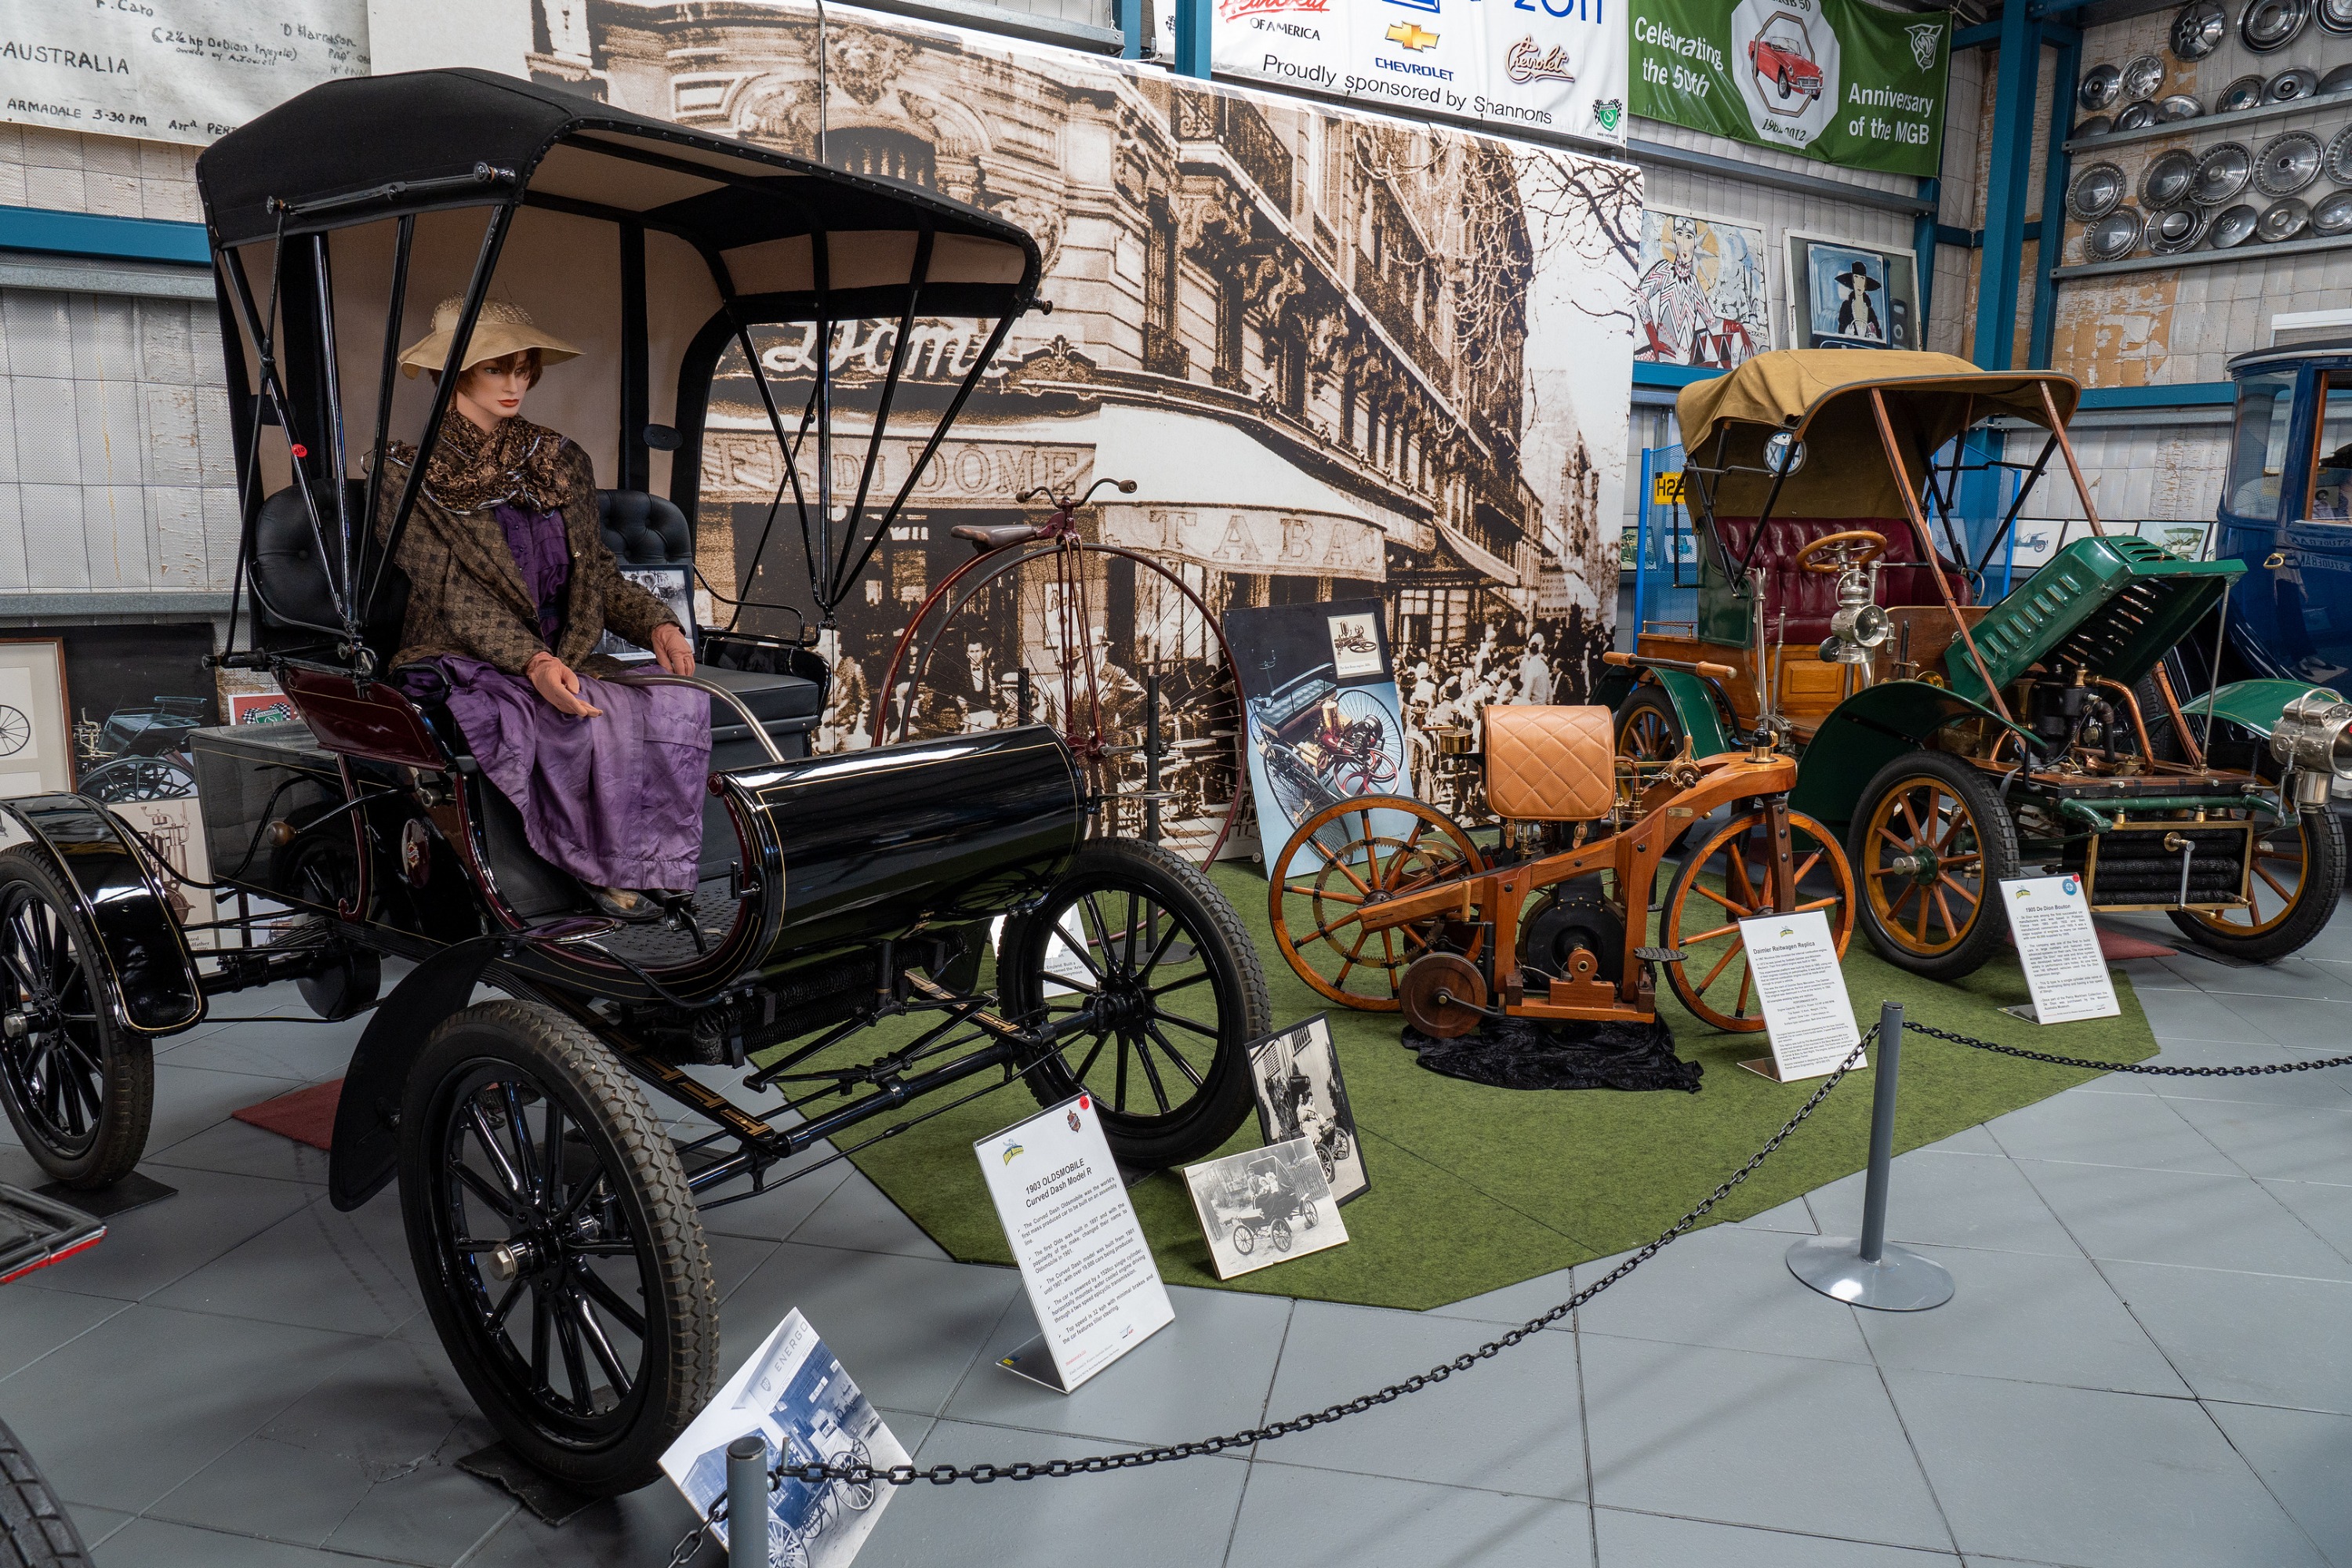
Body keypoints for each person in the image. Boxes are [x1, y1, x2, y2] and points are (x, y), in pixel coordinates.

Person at [378, 298, 704, 923]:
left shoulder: (558, 460)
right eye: (498, 369)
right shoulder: (408, 473)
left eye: (524, 369)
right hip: (465, 650)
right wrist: (530, 661)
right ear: (455, 374)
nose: (515, 385)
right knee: (570, 715)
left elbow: (597, 573)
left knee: (676, 700)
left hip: (566, 644)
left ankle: (652, 864)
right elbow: (451, 589)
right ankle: (588, 868)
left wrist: (656, 621)